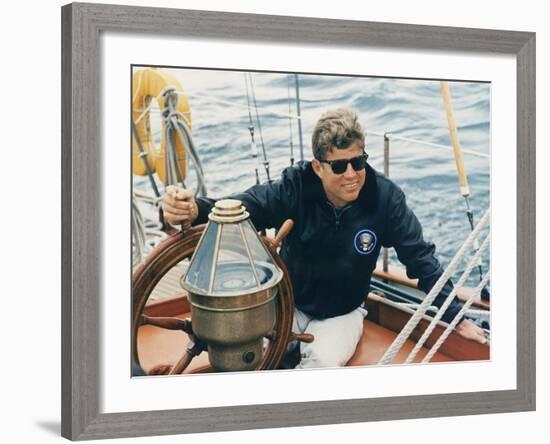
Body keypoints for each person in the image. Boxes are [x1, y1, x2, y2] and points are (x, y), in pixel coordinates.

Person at [162, 108, 487, 369]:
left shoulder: (385, 199)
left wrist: (454, 318)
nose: (351, 174)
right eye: (339, 165)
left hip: (342, 313)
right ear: (317, 167)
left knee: (321, 365)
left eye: (358, 162)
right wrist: (194, 209)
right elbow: (248, 206)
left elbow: (420, 258)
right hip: (288, 304)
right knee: (244, 355)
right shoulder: (295, 187)